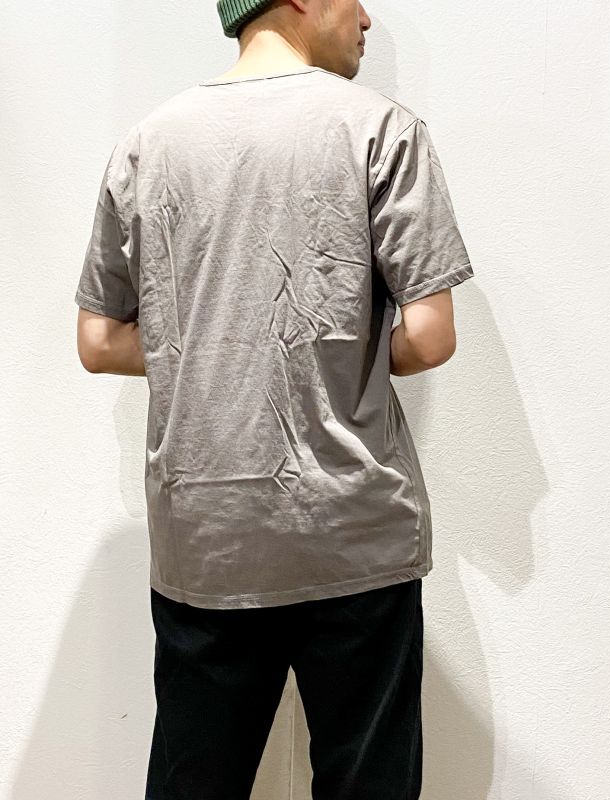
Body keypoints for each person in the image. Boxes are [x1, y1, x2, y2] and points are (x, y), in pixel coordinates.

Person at [74, 0, 475, 797]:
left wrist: (212, 349)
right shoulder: (382, 131)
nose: (366, 18)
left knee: (195, 782)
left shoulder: (147, 144)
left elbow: (98, 341)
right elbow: (429, 337)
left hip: (206, 533)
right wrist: (345, 355)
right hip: (356, 533)